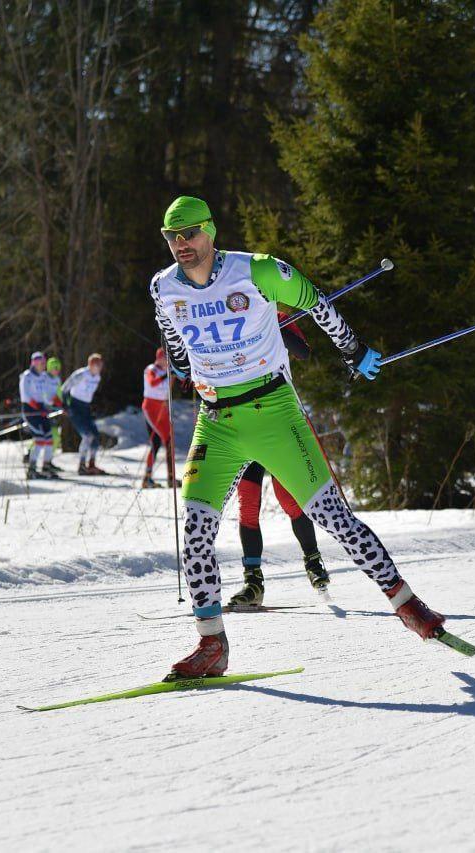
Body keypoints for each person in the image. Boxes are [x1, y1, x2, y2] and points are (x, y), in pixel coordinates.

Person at [150, 195, 447, 677]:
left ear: (211, 231)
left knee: (336, 520)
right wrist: (185, 368)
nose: (181, 244)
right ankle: (211, 644)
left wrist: (354, 350)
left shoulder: (259, 271)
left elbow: (320, 305)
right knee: (196, 533)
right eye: (171, 236)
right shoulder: (163, 287)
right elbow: (171, 333)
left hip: (275, 414)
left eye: (189, 233)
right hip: (217, 422)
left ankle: (408, 605)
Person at [228, 315, 330, 605]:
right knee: (247, 505)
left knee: (290, 501)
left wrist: (269, 324)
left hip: (278, 421)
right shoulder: (225, 317)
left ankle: (312, 561)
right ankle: (253, 582)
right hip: (243, 423)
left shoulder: (280, 315)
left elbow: (303, 351)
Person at [60, 353, 107, 475]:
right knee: (87, 436)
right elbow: (65, 388)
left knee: (95, 435)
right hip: (75, 407)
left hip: (86, 408)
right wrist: (65, 405)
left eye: (101, 365)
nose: (100, 368)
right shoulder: (81, 374)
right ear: (91, 365)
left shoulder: (97, 377)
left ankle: (91, 463)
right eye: (97, 365)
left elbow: (90, 394)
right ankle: (81, 465)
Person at [141, 348, 177, 488]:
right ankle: (147, 477)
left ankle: (171, 477)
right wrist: (167, 375)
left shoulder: (165, 371)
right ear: (159, 358)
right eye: (165, 358)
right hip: (151, 407)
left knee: (169, 441)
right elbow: (152, 382)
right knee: (156, 442)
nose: (167, 361)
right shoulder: (152, 369)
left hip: (162, 407)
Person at [20, 352, 59, 479]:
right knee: (39, 439)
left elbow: (47, 394)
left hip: (41, 410)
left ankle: (46, 466)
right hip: (30, 410)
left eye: (43, 363)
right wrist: (36, 406)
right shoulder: (27, 376)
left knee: (49, 439)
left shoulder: (43, 377)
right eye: (41, 363)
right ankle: (32, 469)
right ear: (34, 363)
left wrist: (57, 402)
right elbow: (25, 395)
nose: (43, 366)